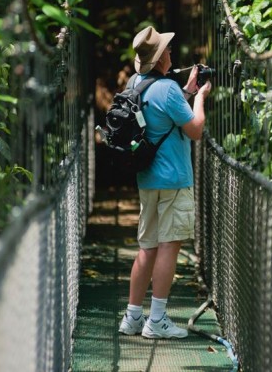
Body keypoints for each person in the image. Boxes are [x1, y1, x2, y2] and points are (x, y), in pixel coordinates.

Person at [118, 25, 211, 339]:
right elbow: (194, 129)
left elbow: (161, 116)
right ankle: (156, 321)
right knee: (169, 246)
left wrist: (186, 91)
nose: (171, 53)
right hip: (173, 179)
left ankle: (132, 318)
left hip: (147, 178)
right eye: (167, 50)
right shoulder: (167, 89)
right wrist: (200, 99)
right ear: (159, 59)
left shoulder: (136, 83)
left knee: (147, 246)